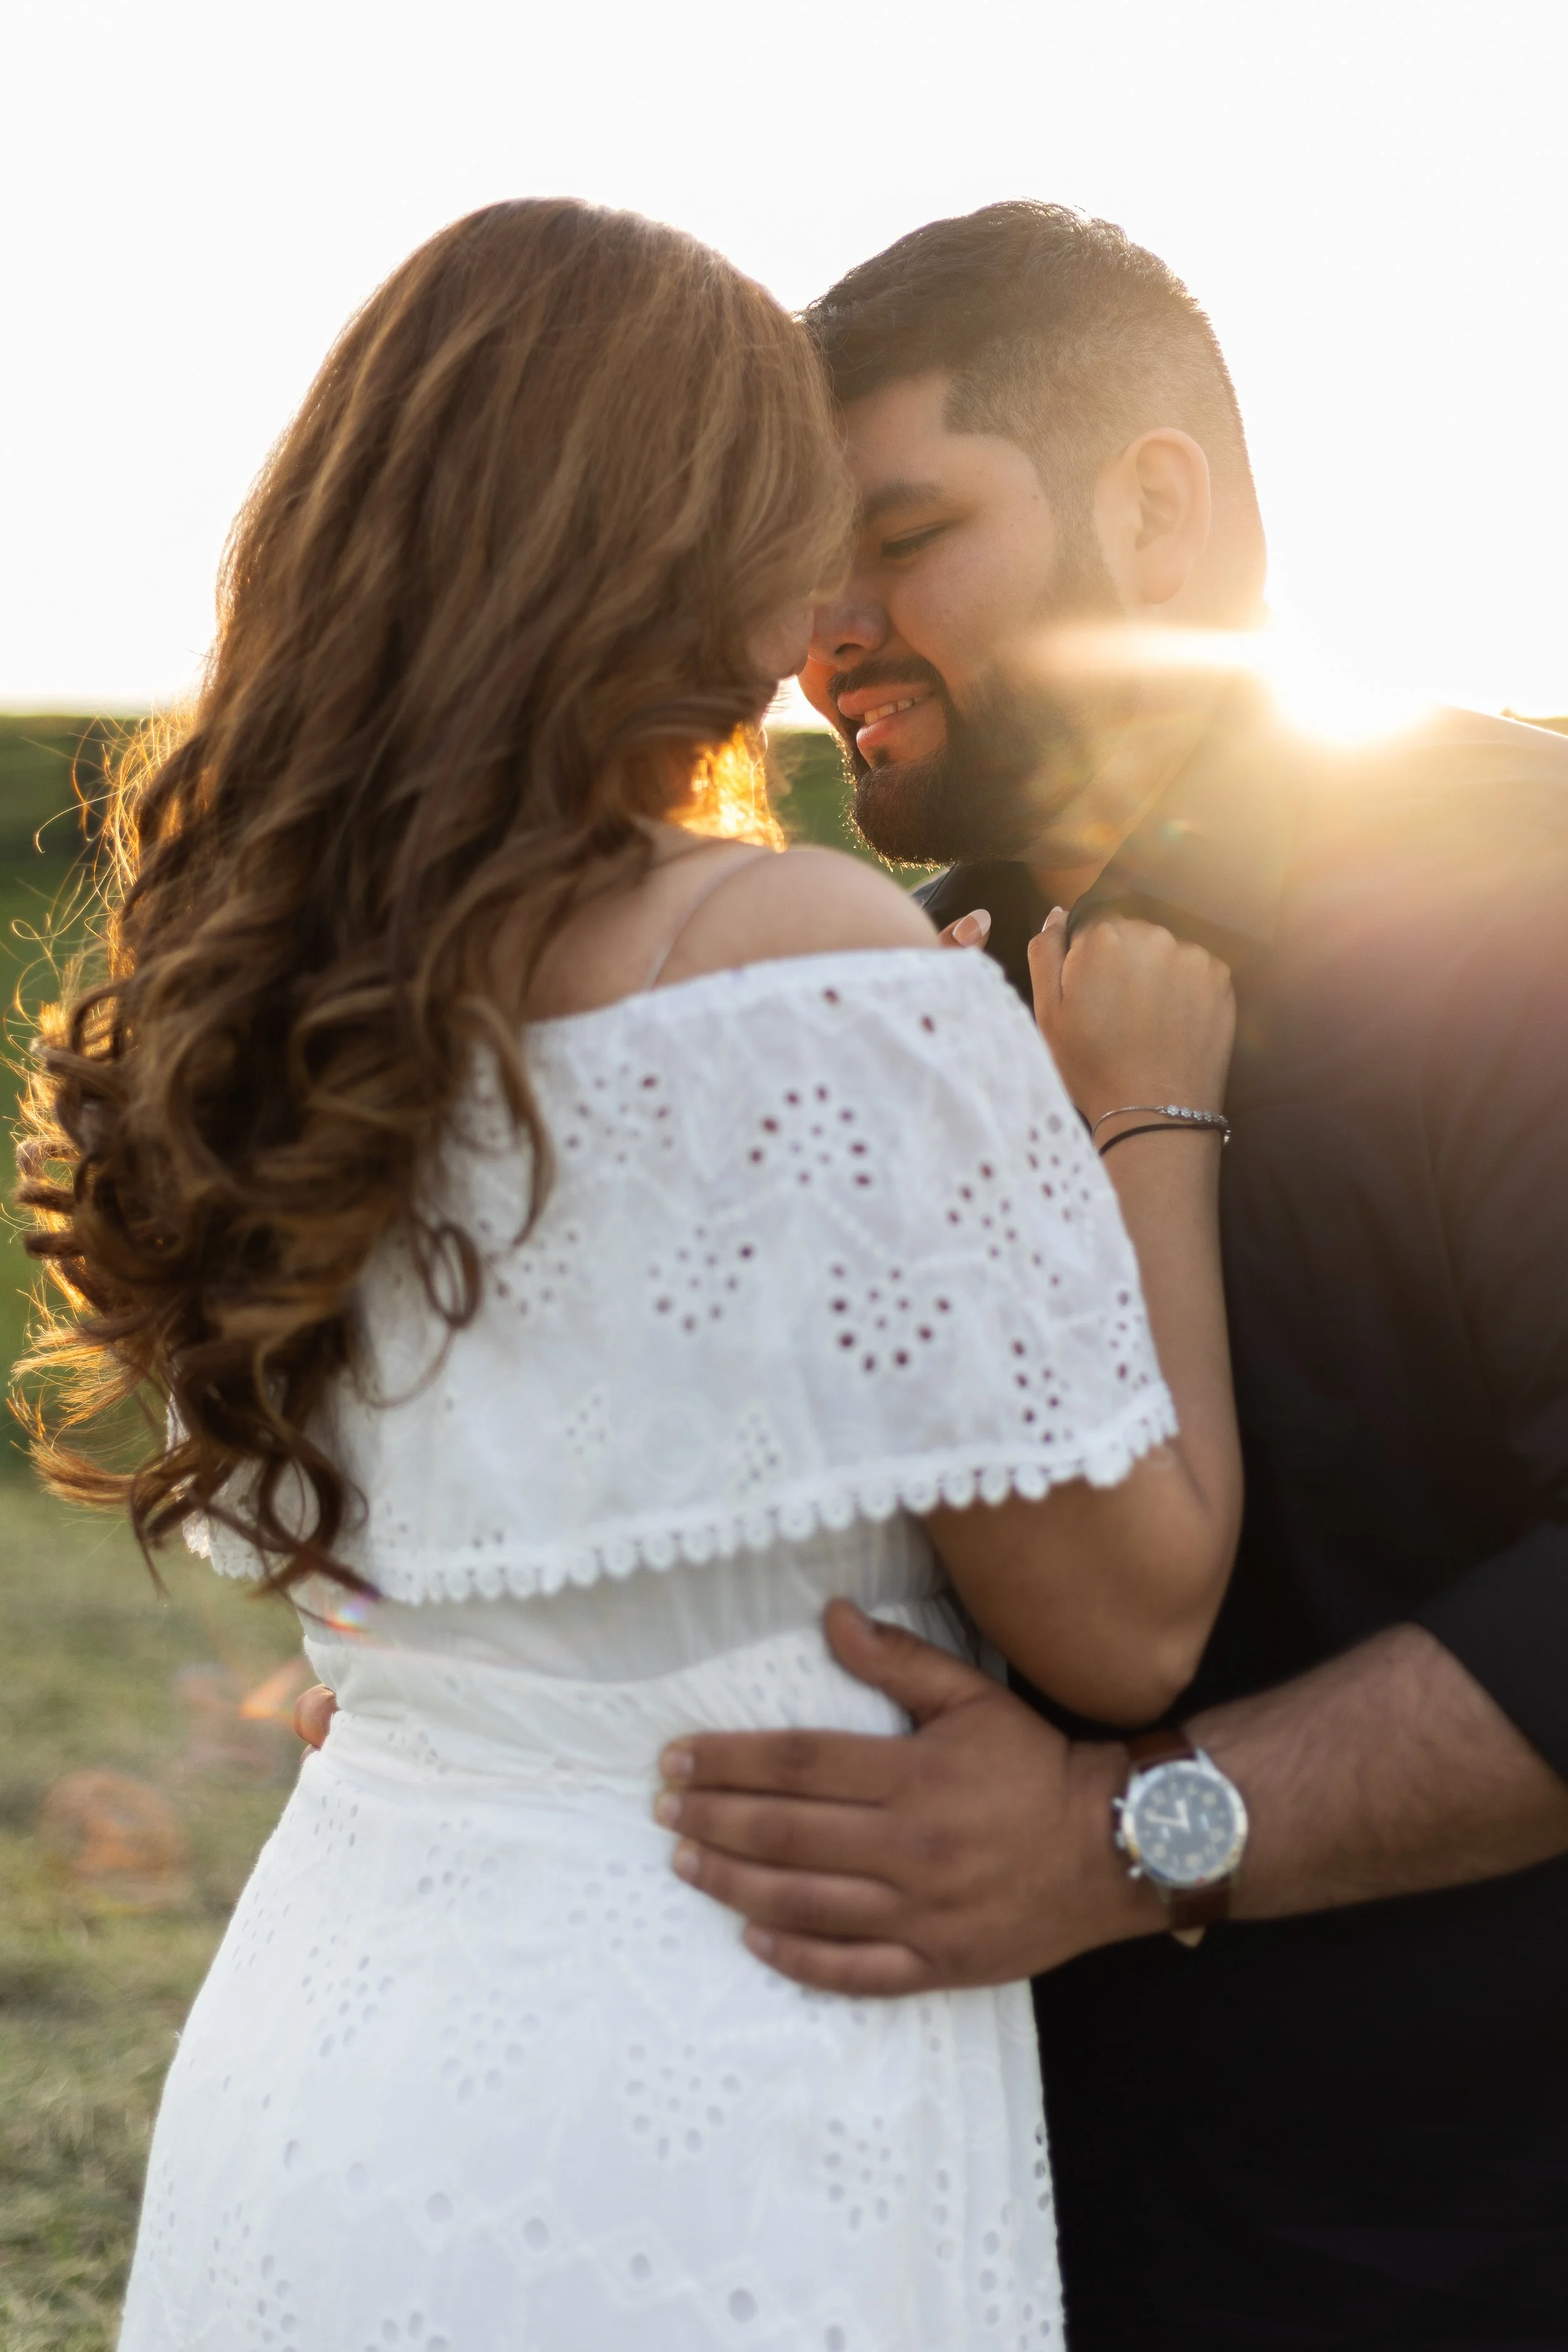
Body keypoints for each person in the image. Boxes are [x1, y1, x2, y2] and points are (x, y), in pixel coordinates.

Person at [22, 199, 1244, 2348]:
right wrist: (1137, 1116)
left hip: (328, 2053)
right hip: (704, 2098)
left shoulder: (280, 1006)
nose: (824, 611)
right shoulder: (810, 965)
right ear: (683, 535)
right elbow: (1132, 1616)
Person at [644, 203, 1568, 2348]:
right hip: (934, 2210)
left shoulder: (1508, 896)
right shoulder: (878, 994)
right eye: (807, 569)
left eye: (902, 533)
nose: (825, 632)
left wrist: (1118, 1837)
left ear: (1153, 508)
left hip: (1436, 2241)